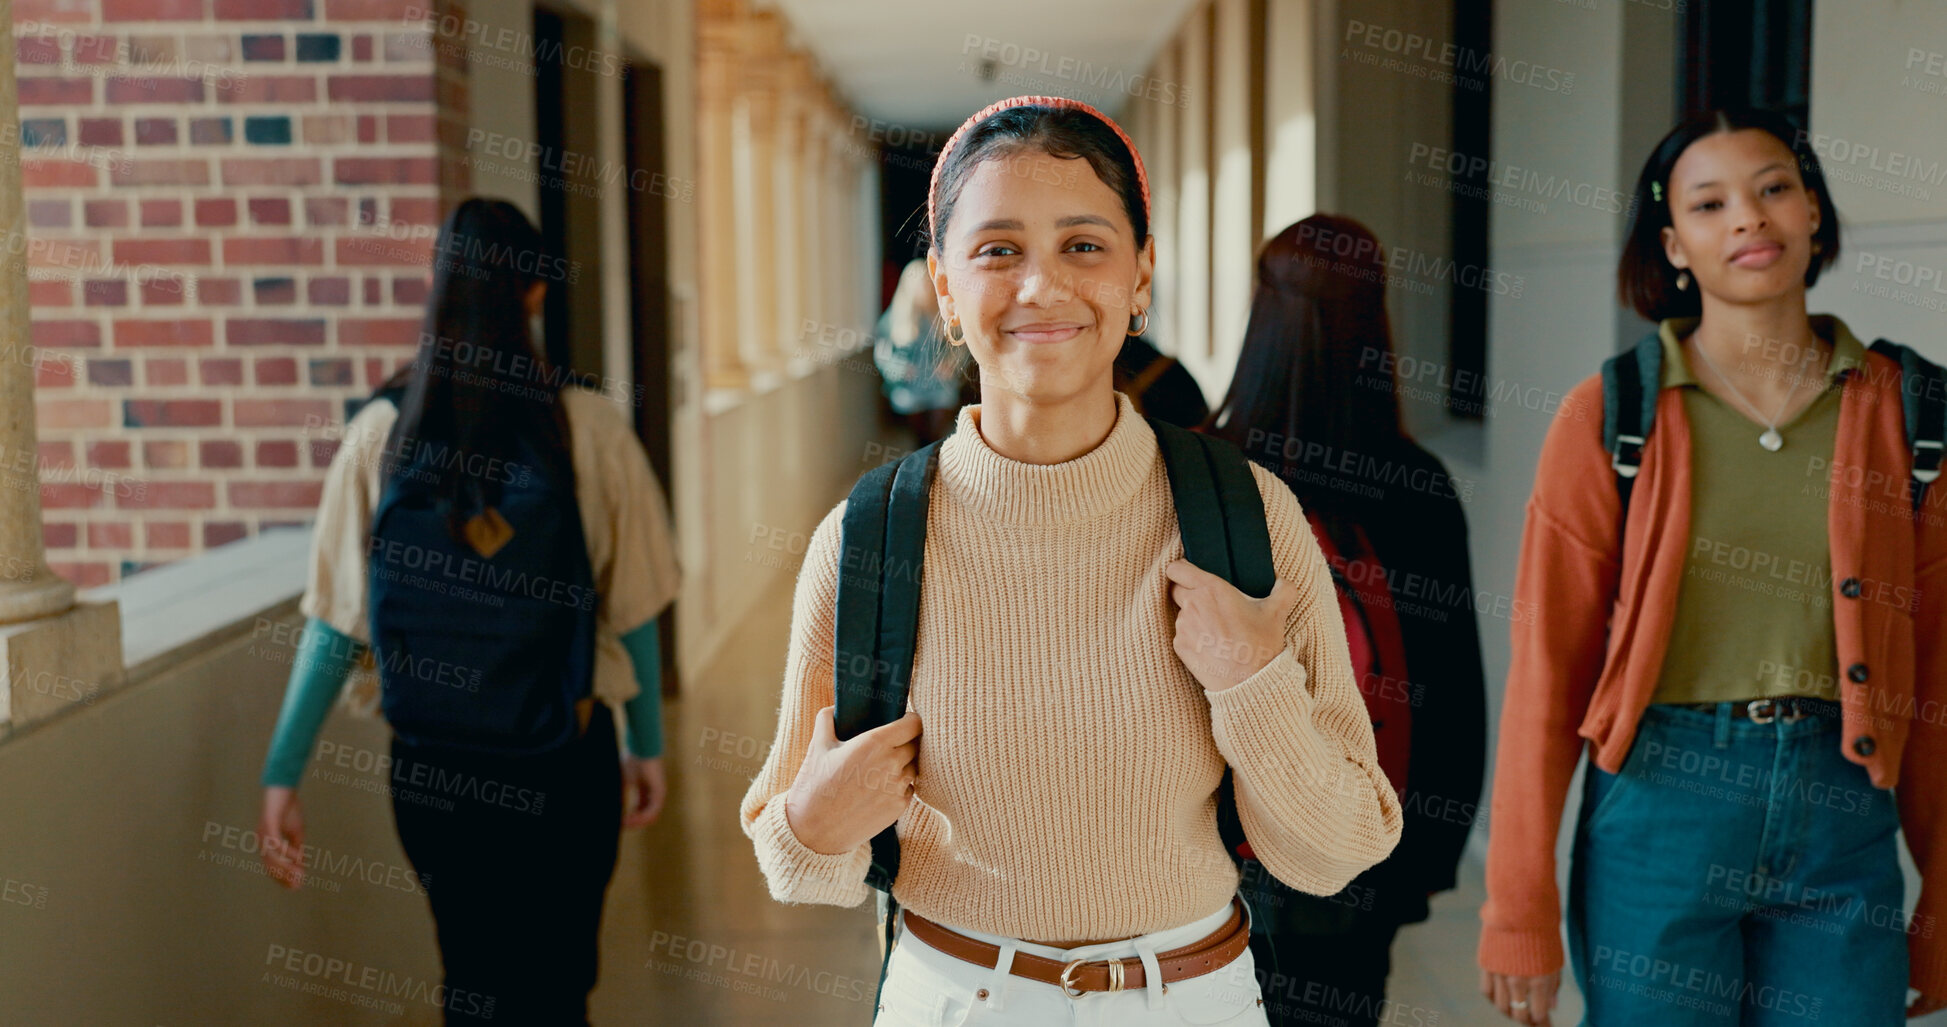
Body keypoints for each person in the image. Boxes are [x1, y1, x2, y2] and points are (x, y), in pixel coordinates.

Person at [738, 94, 1402, 1027]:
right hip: (951, 999)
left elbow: (1335, 852)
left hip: (1191, 1000)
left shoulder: (1245, 517)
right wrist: (815, 821)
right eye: (997, 249)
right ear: (943, 289)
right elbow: (792, 861)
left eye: (1083, 246)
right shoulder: (870, 537)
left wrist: (1253, 680)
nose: (1040, 288)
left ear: (1141, 277)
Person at [1478, 109, 1947, 1025]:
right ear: (1674, 245)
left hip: (1842, 806)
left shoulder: (1907, 415)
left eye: (1773, 188)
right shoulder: (1609, 417)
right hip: (1658, 811)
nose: (1747, 217)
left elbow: (1933, 673)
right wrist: (1516, 904)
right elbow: (1545, 677)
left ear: (1812, 212)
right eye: (1709, 202)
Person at [255, 198, 682, 1026]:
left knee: (471, 980)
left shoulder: (379, 432)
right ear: (534, 293)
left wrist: (282, 772)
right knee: (557, 984)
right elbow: (635, 604)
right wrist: (646, 746)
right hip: (565, 752)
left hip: (431, 764)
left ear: (435, 285)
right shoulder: (588, 425)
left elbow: (334, 623)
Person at [1207, 214, 1486, 1027]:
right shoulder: (1413, 485)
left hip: (1216, 846)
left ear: (1262, 316)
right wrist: (1429, 854)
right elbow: (1452, 687)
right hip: (1359, 838)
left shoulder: (1204, 472)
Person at [874, 258, 967, 446]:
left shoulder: (945, 317)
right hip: (911, 387)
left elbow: (961, 347)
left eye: (928, 285)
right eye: (921, 286)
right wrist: (900, 369)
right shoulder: (894, 320)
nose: (925, 291)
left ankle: (935, 464)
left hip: (939, 385)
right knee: (919, 436)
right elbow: (883, 354)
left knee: (937, 431)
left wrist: (951, 365)